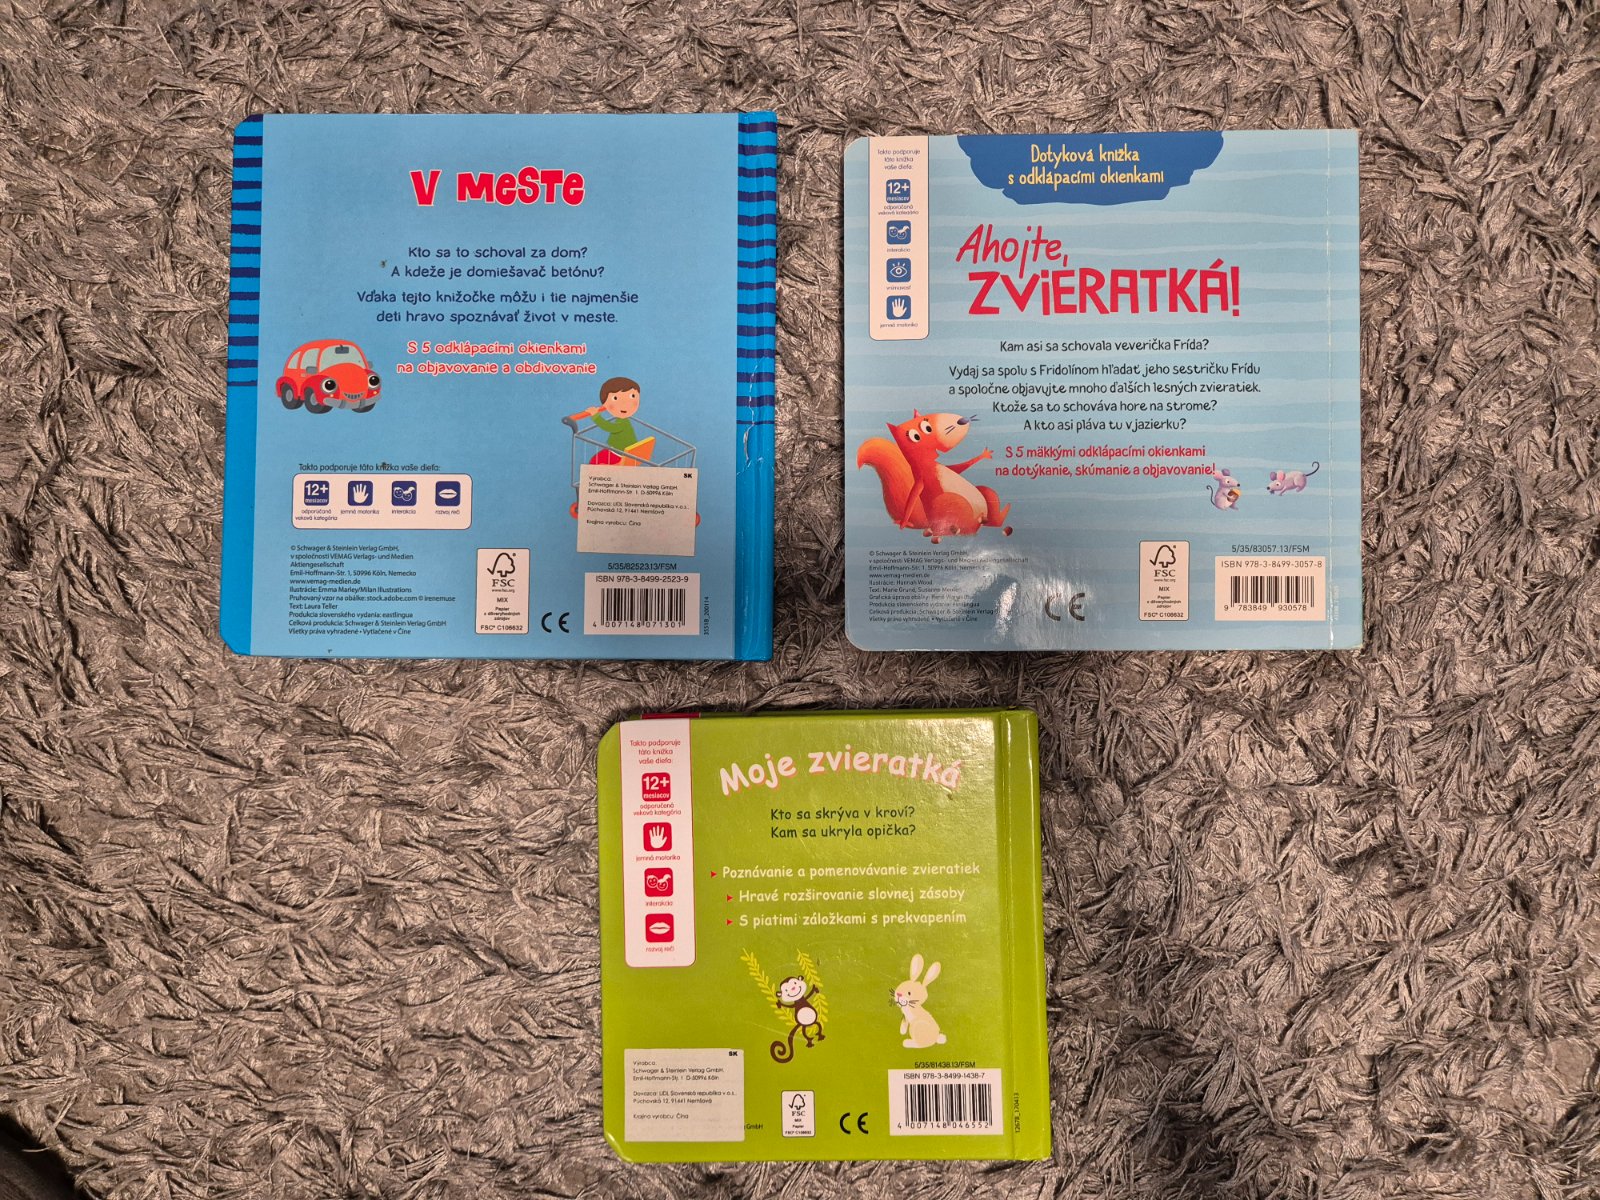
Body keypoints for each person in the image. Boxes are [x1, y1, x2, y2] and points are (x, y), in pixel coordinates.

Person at [569, 377, 650, 465]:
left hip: (620, 454)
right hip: (624, 452)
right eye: (615, 398)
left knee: (595, 461)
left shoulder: (623, 422)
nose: (624, 404)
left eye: (632, 396)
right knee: (599, 458)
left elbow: (610, 427)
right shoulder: (623, 420)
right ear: (605, 404)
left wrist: (595, 416)